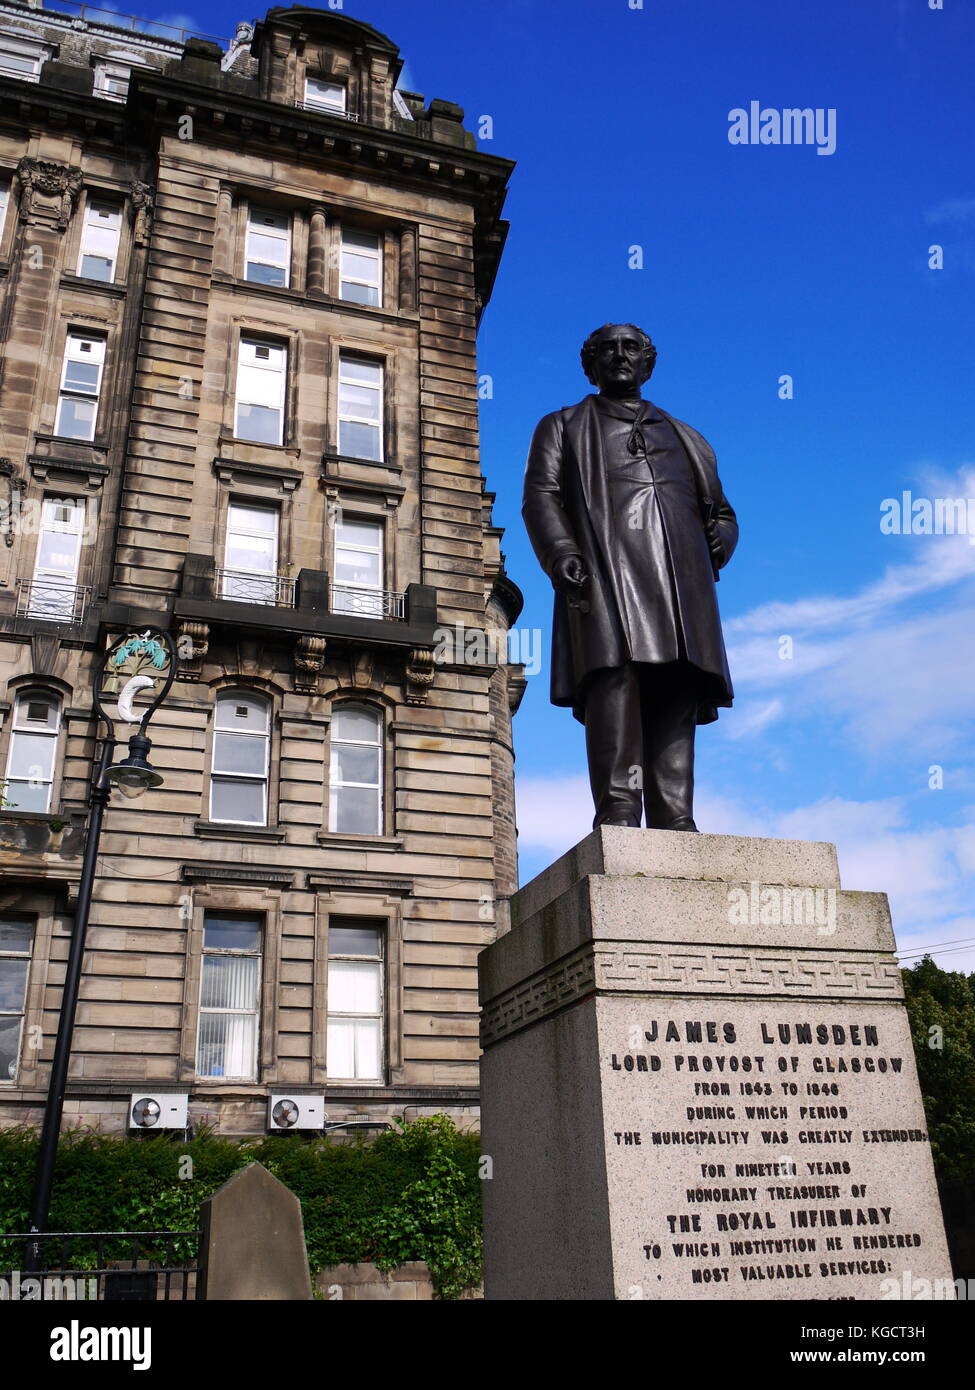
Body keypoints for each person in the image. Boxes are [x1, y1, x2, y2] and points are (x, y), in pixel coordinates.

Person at [522, 323, 737, 830]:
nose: (621, 356)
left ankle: (674, 813)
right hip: (605, 569)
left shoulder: (689, 438)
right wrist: (560, 552)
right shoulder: (563, 425)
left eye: (631, 348)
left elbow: (723, 513)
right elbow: (541, 497)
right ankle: (620, 804)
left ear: (649, 362)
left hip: (681, 582)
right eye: (608, 349)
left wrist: (721, 541)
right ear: (590, 364)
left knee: (678, 683)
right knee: (615, 681)